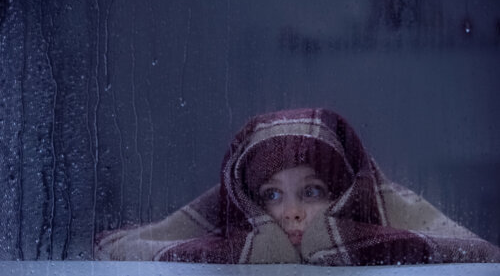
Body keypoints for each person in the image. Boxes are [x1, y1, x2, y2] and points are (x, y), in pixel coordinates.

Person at [95, 108, 500, 264]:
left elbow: (481, 258)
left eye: (311, 192)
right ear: (247, 200)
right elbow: (118, 248)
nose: (292, 212)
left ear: (344, 193)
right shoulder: (226, 252)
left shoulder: (386, 243)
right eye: (271, 194)